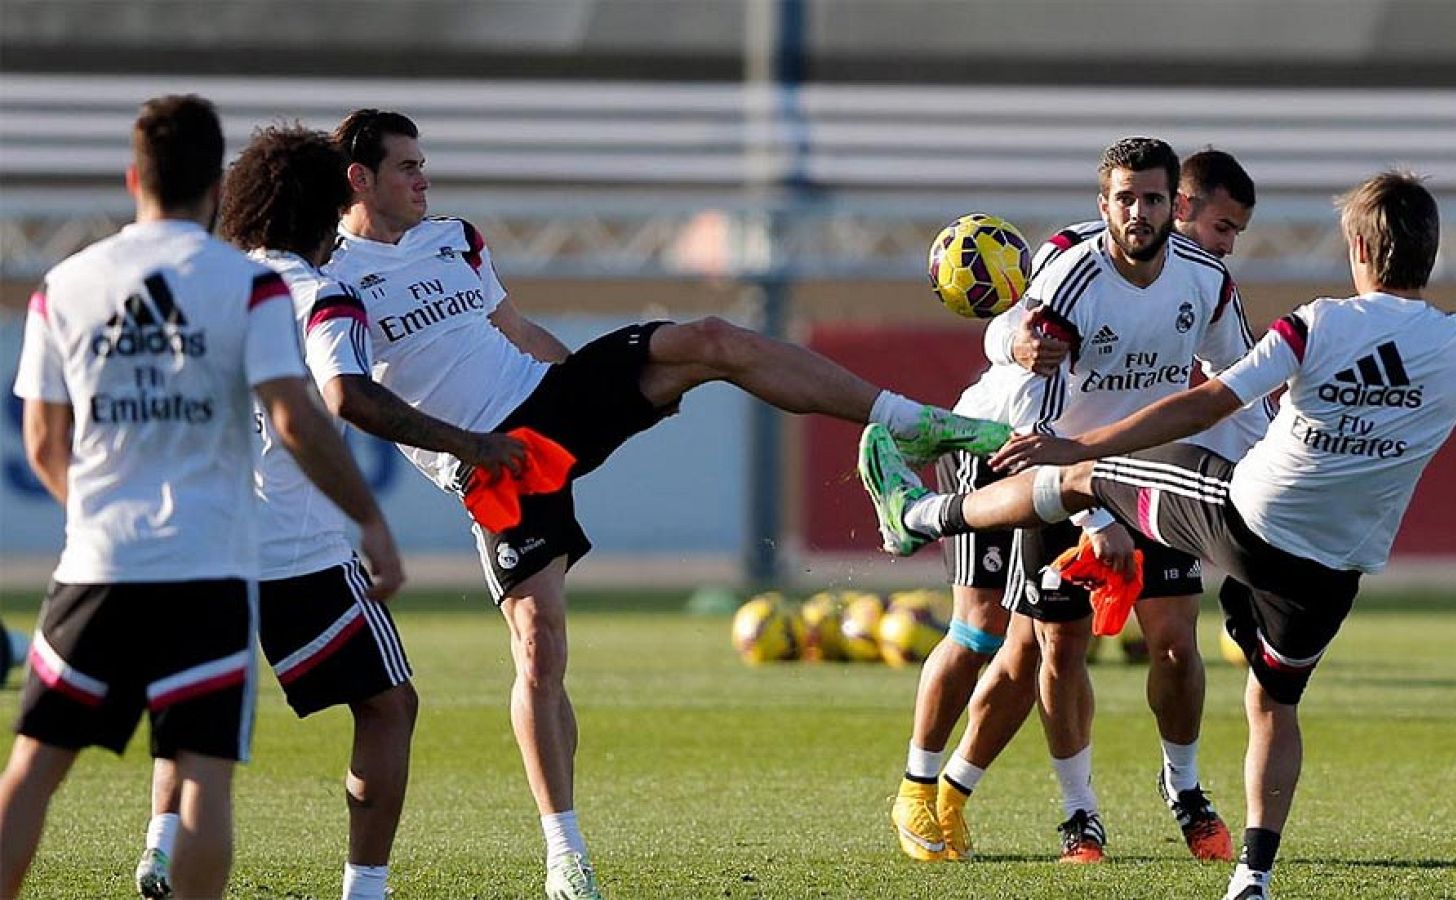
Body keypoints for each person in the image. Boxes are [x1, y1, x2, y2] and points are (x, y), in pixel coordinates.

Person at [321, 108, 1012, 900]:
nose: (423, 178)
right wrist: (463, 450)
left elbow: (514, 331)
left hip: (547, 398)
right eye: (407, 166)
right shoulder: (330, 276)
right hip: (491, 465)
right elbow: (349, 394)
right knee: (539, 648)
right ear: (360, 179)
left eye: (423, 163)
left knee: (710, 338)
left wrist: (607, 394)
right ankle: (565, 855)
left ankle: (905, 421)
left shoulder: (457, 238)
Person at [859, 171, 1456, 900]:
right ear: (1432, 252)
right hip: (1334, 568)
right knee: (1262, 698)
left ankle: (921, 517)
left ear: (1359, 250)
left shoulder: (1316, 322)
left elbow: (1209, 401)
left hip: (1240, 519)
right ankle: (1234, 870)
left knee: (1092, 491)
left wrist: (1084, 449)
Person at [0, 95, 403, 900]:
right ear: (213, 188)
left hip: (97, 562)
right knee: (206, 778)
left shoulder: (66, 283)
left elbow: (45, 444)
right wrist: (368, 519)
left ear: (133, 178)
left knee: (34, 767)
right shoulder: (243, 287)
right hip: (205, 565)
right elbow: (296, 416)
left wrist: (102, 521)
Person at [129, 125, 527, 900]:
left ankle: (159, 844)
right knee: (388, 707)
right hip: (293, 548)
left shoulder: (203, 283)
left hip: (191, 534)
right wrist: (467, 443)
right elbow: (347, 393)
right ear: (328, 205)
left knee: (197, 695)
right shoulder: (320, 294)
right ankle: (364, 889)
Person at [891, 141, 1268, 865]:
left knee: (1168, 639)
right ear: (1107, 205)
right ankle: (936, 787)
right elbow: (1040, 419)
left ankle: (1178, 792)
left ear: (1171, 204)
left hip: (1133, 469)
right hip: (1007, 455)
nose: (1140, 212)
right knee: (991, 634)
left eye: (1151, 199)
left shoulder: (1207, 282)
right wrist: (1095, 517)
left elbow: (1235, 384)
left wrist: (1267, 480)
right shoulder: (1072, 268)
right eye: (1126, 199)